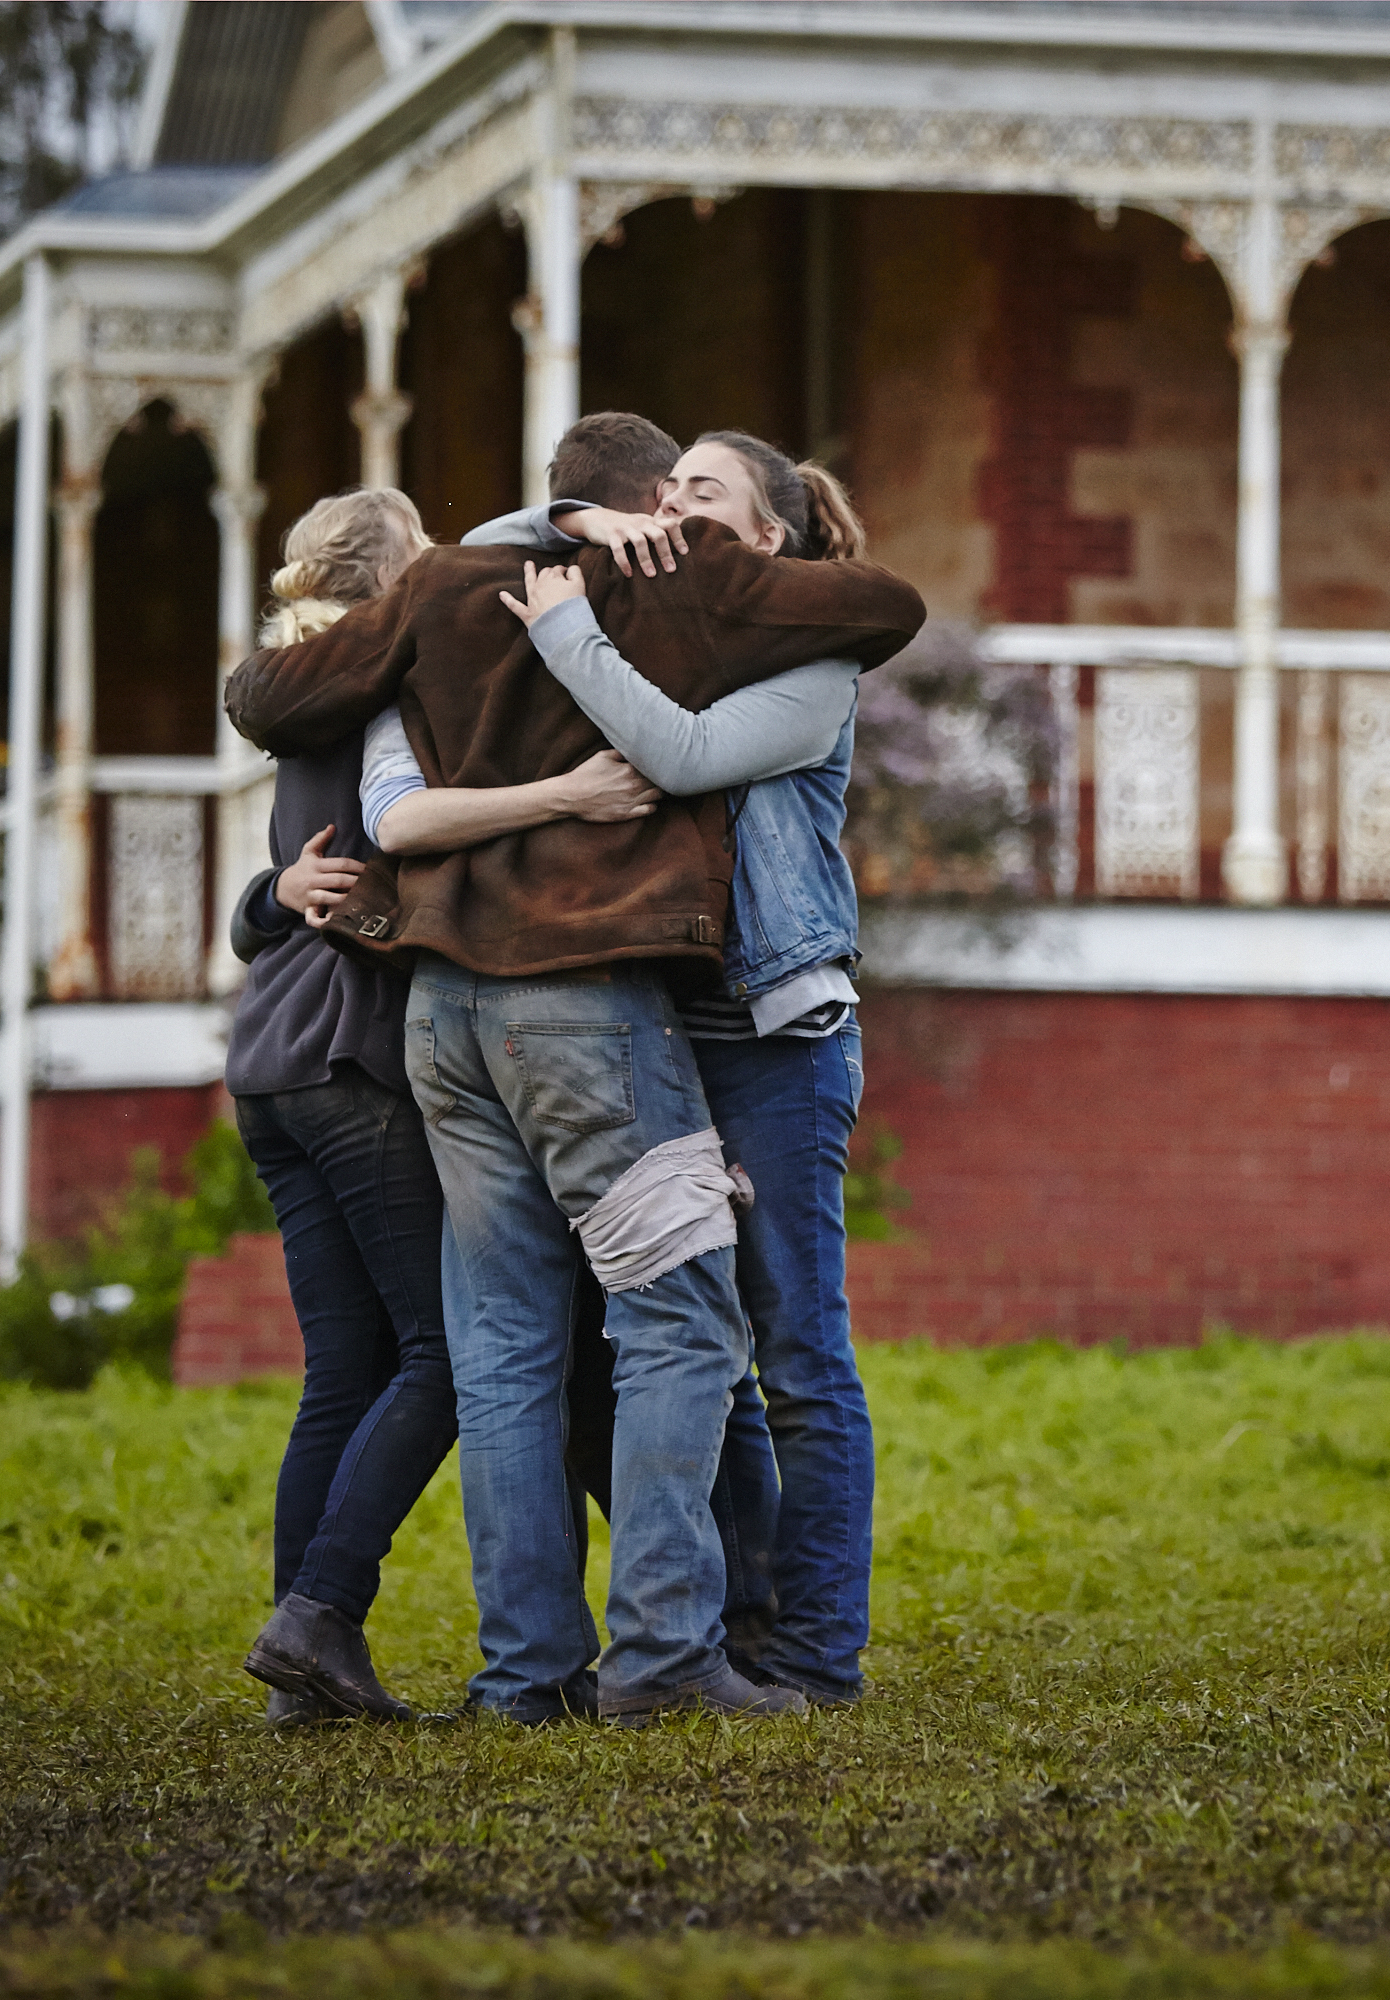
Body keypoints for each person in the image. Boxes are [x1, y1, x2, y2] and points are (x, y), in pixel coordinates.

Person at [223, 413, 925, 1726]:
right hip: (587, 1005)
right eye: (685, 493)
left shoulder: (444, 584)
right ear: (655, 496)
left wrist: (530, 548)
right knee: (682, 1328)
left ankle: (523, 1679)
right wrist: (590, 565)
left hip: (445, 1014)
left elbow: (263, 694)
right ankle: (668, 1660)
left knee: (503, 1353)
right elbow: (891, 601)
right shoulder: (688, 586)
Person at [427, 431, 881, 1706]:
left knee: (798, 1355)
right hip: (669, 1030)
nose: (674, 506)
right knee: (702, 1344)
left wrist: (573, 634)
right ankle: (735, 1618)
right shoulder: (661, 617)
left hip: (779, 1042)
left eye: (707, 493)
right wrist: (579, 513)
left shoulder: (814, 662)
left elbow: (676, 756)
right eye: (667, 488)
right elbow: (482, 556)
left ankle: (816, 1649)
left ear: (772, 538)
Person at [217, 488, 658, 1726]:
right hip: (352, 1055)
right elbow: (384, 849)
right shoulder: (374, 683)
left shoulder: (305, 681)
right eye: (428, 565)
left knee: (343, 1369)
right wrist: (569, 794)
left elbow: (290, 880)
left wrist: (268, 895)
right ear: (401, 577)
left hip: (271, 1065)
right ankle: (317, 1613)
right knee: (448, 1356)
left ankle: (307, 1669)